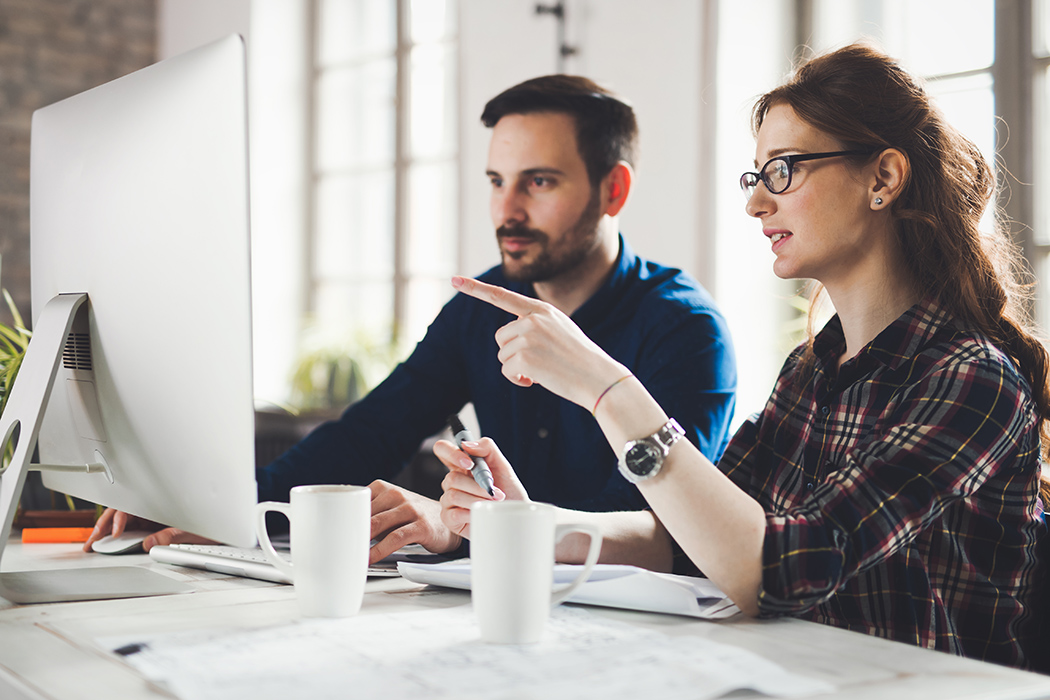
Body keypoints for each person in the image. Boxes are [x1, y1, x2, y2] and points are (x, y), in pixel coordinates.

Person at [436, 44, 1048, 671]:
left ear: (883, 179)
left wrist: (607, 388)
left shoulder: (973, 380)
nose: (757, 203)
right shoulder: (811, 372)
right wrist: (527, 525)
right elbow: (695, 540)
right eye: (756, 176)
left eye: (784, 170)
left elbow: (779, 570)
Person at [85, 75, 737, 564]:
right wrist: (226, 515)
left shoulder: (685, 331)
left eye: (537, 182)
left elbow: (662, 532)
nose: (505, 209)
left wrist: (463, 529)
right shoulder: (479, 308)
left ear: (613, 190)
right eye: (494, 180)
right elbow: (370, 432)